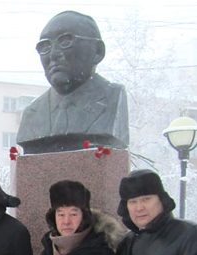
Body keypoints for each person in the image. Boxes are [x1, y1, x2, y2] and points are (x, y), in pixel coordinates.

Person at [17, 10, 129, 154]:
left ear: (97, 51)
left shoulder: (112, 99)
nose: (53, 54)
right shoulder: (32, 114)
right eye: (45, 46)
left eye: (65, 41)